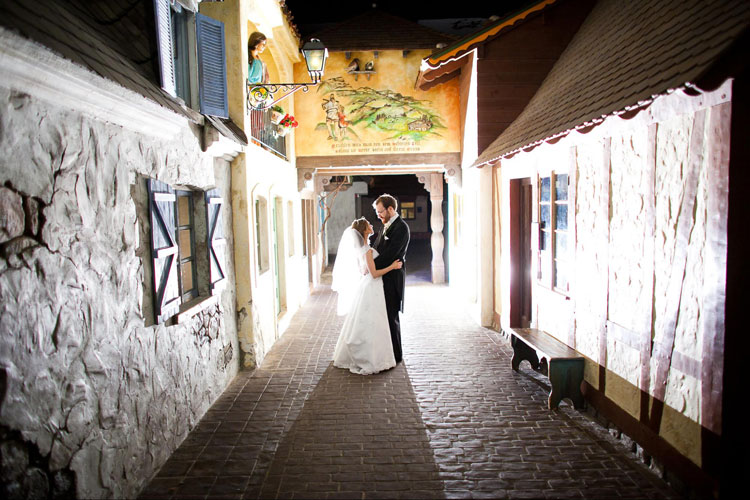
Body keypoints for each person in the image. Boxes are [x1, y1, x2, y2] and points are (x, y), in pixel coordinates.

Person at [331, 218, 403, 375]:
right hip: (372, 286)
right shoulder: (367, 250)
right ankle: (370, 356)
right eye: (369, 224)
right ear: (365, 230)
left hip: (366, 285)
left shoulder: (362, 248)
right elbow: (375, 274)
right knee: (373, 322)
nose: (371, 225)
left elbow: (363, 269)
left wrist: (366, 268)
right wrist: (393, 266)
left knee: (367, 321)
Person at [372, 194, 410, 363]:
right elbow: (377, 247)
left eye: (380, 211)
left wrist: (370, 265)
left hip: (393, 278)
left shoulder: (401, 228)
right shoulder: (385, 225)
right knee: (383, 317)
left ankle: (396, 355)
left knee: (391, 317)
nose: (378, 215)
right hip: (382, 277)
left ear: (390, 209)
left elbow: (390, 254)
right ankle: (386, 353)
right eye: (377, 212)